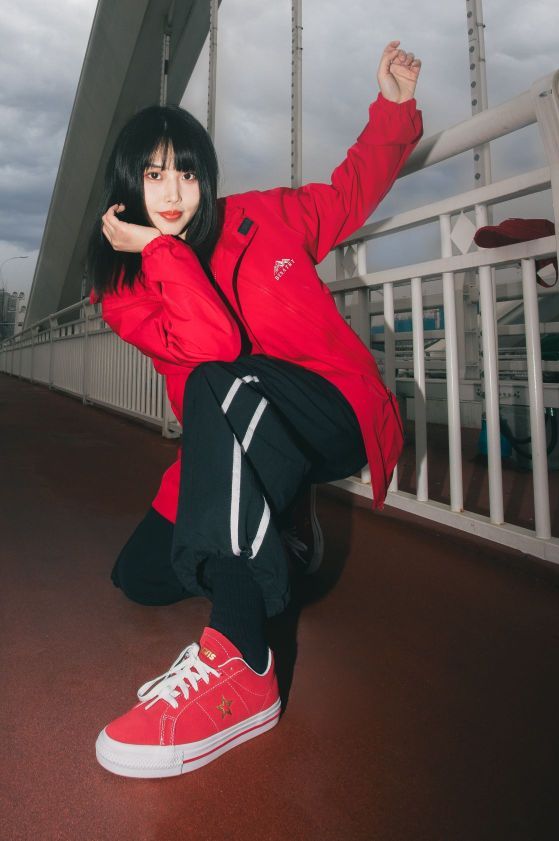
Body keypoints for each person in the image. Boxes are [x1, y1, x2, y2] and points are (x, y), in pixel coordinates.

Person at [88, 40, 423, 778]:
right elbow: (206, 341)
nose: (172, 191)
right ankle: (276, 527)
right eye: (153, 174)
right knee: (141, 576)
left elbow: (348, 194)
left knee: (218, 378)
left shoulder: (262, 218)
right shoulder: (123, 291)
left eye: (186, 172)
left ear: (206, 180)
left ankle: (240, 659)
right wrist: (158, 254)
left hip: (326, 410)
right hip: (237, 437)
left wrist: (393, 107)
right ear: (128, 184)